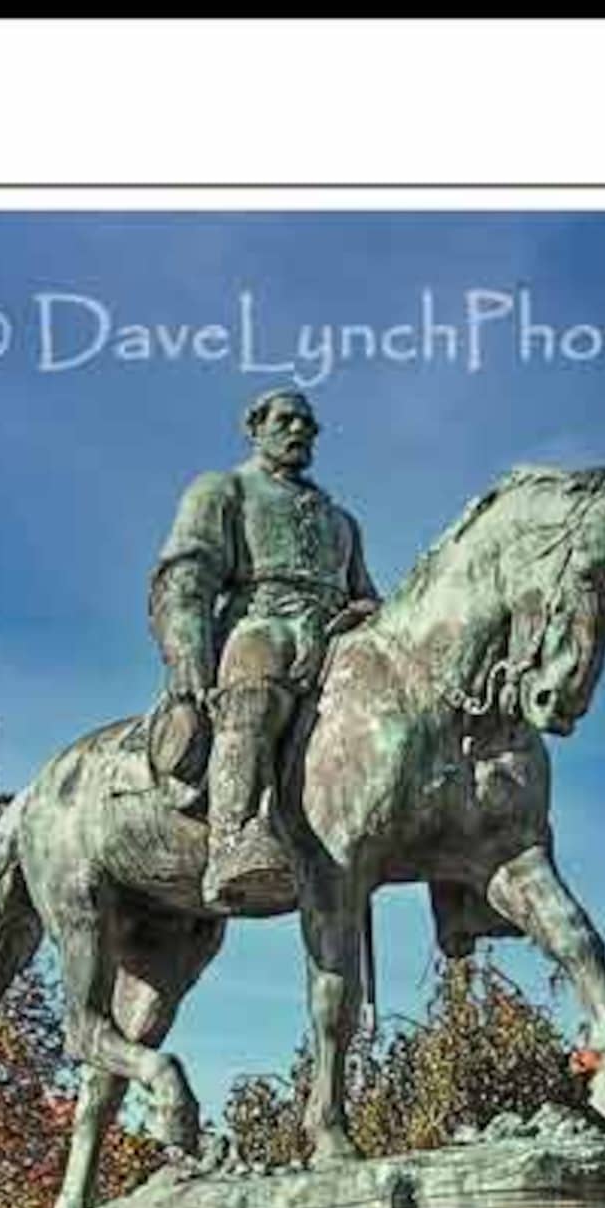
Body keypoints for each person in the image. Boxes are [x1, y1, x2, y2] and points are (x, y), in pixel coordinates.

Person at [147, 388, 380, 909]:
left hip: (333, 634)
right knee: (256, 683)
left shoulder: (340, 521)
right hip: (259, 620)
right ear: (256, 428)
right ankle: (235, 837)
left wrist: (366, 615)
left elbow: (365, 593)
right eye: (287, 421)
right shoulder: (223, 489)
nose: (300, 431)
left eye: (309, 425)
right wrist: (187, 652)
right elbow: (187, 574)